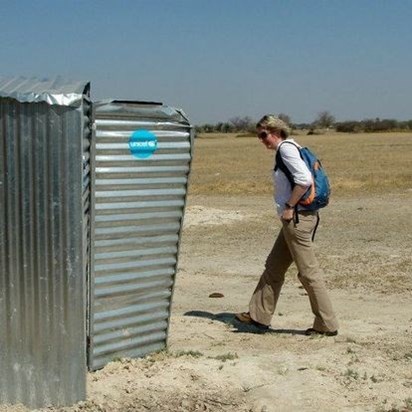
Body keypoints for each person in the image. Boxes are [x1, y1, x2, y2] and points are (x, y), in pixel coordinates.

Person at [236, 115, 338, 336]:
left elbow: (303, 179)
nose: (261, 140)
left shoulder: (286, 149)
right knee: (273, 266)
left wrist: (290, 206)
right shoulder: (290, 148)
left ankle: (326, 325)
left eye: (263, 135)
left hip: (297, 220)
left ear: (276, 131)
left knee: (309, 273)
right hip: (295, 220)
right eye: (259, 136)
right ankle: (258, 317)